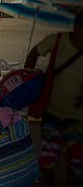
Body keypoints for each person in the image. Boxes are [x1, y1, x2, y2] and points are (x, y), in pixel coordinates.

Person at [23, 10, 83, 186]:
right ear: (76, 27)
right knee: (47, 165)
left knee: (77, 168)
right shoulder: (58, 40)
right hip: (52, 116)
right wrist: (27, 78)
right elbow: (34, 53)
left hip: (79, 121)